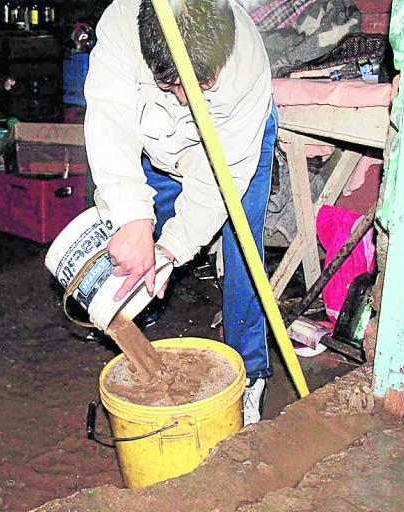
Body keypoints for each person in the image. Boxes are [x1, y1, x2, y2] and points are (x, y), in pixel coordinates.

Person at [84, 0, 277, 425]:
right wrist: (134, 219)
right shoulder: (120, 29)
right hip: (155, 138)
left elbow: (216, 178)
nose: (189, 99)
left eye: (201, 85)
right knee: (131, 228)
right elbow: (110, 125)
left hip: (232, 143)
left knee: (243, 250)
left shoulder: (245, 66)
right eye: (174, 85)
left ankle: (252, 375)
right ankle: (140, 308)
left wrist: (175, 246)